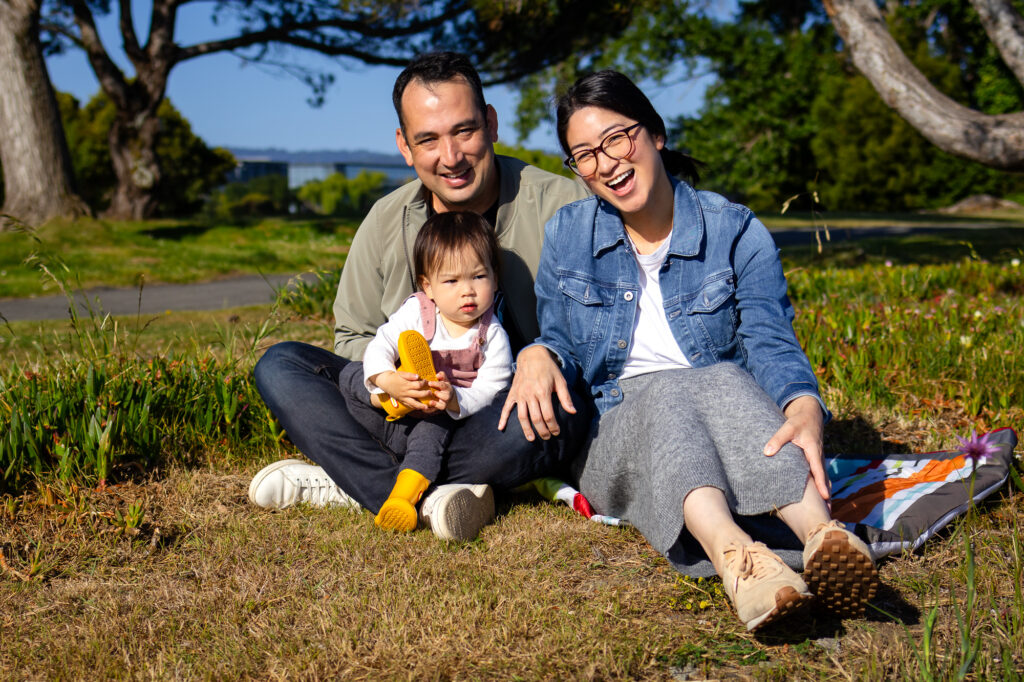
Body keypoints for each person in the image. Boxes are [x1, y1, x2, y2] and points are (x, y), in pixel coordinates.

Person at [516, 70, 878, 631]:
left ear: (655, 134)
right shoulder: (569, 233)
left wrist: (803, 404)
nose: (606, 163)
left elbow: (769, 340)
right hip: (617, 427)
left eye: (617, 138)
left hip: (727, 414)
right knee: (669, 387)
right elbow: (561, 341)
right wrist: (537, 353)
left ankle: (822, 538)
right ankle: (736, 556)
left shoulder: (734, 231)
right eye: (583, 154)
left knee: (727, 379)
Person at [248, 52, 589, 542]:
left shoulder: (563, 204)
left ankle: (361, 483)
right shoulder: (386, 219)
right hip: (404, 419)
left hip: (500, 415)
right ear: (404, 146)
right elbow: (353, 335)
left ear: (491, 124)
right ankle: (430, 494)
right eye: (427, 139)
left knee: (551, 413)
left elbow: (603, 331)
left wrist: (547, 352)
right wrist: (389, 384)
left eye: (464, 131)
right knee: (281, 366)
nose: (450, 157)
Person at [341, 211, 512, 534]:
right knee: (350, 374)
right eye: (451, 281)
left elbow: (493, 387)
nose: (468, 291)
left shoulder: (490, 334)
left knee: (430, 433)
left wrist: (454, 399)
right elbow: (380, 346)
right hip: (398, 397)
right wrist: (387, 382)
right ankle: (388, 402)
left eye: (479, 277)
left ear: (495, 278)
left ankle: (402, 498)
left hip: (442, 412)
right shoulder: (417, 312)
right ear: (428, 286)